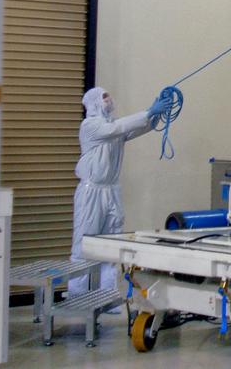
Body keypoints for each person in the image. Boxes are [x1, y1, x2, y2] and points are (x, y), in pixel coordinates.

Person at [67, 86, 173, 294]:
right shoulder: (90, 126)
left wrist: (155, 115)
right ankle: (77, 296)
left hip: (111, 191)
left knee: (111, 245)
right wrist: (148, 112)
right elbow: (118, 128)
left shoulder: (112, 126)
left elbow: (132, 129)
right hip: (91, 192)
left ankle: (107, 296)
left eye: (109, 96)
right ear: (95, 102)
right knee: (84, 245)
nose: (109, 100)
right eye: (104, 97)